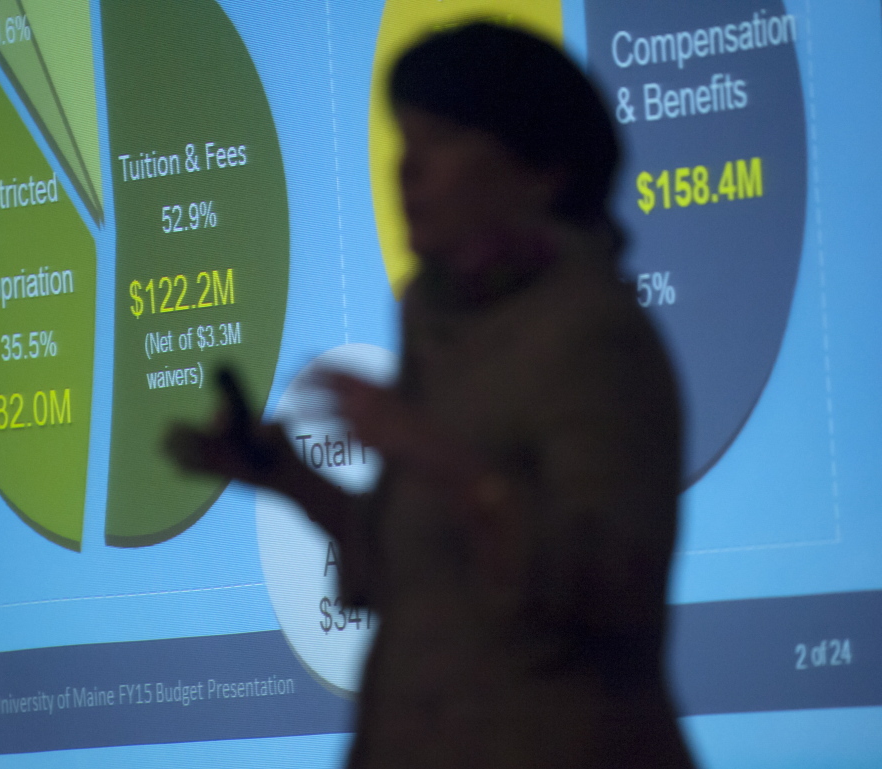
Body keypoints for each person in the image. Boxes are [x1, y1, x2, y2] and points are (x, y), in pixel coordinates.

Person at [170, 22, 697, 769]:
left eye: (442, 138)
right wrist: (287, 478)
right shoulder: (445, 328)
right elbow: (423, 584)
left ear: (542, 169)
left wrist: (432, 450)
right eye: (403, 139)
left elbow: (608, 592)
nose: (407, 169)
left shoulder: (593, 335)